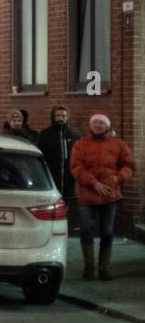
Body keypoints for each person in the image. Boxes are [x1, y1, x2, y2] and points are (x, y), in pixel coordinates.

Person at [69, 114, 136, 280]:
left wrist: (118, 177)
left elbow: (129, 165)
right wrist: (93, 183)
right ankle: (89, 268)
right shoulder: (80, 144)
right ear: (90, 125)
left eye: (101, 123)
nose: (98, 125)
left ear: (107, 125)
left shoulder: (118, 144)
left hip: (110, 194)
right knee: (86, 230)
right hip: (87, 194)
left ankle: (104, 268)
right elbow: (76, 167)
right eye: (95, 122)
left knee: (107, 232)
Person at [37, 106, 80, 230]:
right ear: (53, 117)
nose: (61, 118)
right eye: (58, 116)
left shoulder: (74, 134)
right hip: (51, 175)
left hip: (69, 176)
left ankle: (65, 226)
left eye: (63, 116)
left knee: (67, 200)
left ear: (68, 117)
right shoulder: (45, 135)